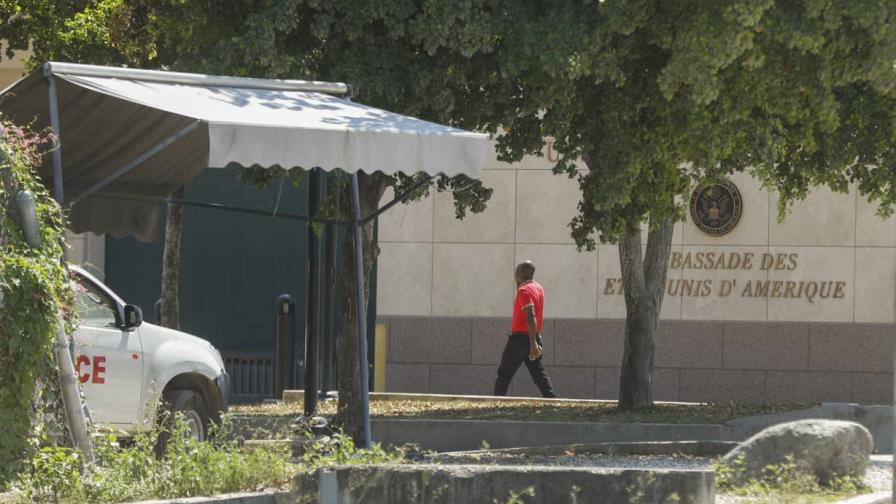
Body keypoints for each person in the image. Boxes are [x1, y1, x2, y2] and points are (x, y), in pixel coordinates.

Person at [493, 261, 556, 398]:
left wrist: (533, 344)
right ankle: (552, 399)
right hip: (533, 336)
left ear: (521, 273)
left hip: (521, 340)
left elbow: (531, 315)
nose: (514, 275)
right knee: (538, 373)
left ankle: (496, 402)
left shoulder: (524, 291)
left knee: (504, 373)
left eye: (516, 271)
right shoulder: (538, 287)